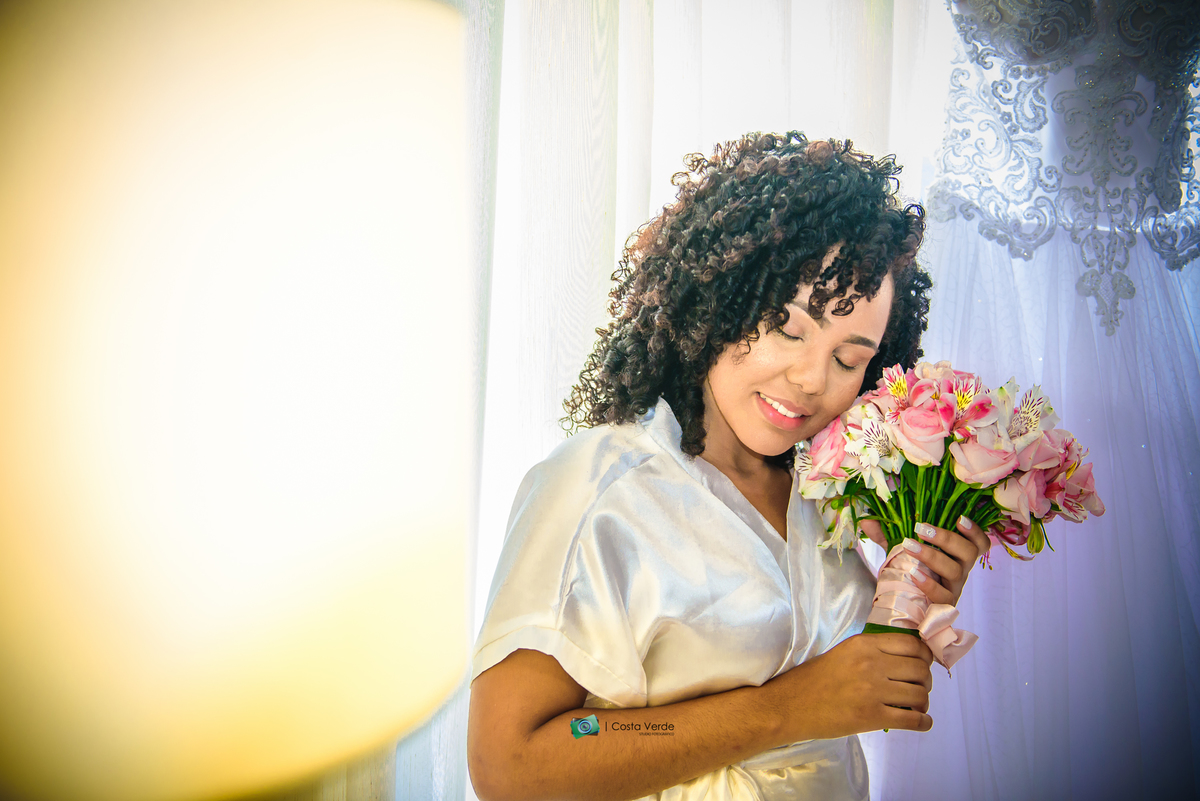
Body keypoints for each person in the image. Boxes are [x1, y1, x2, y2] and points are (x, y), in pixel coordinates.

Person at [467, 132, 990, 801]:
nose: (812, 379)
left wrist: (916, 591)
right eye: (789, 328)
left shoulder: (828, 493)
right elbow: (513, 761)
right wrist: (784, 710)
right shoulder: (599, 486)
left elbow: (850, 685)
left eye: (848, 358)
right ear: (718, 299)